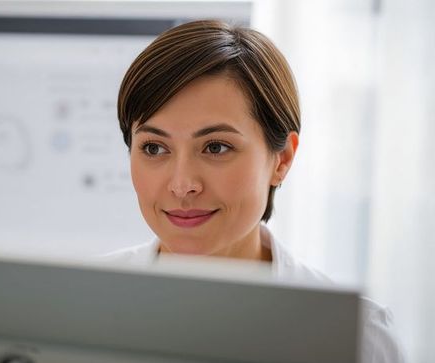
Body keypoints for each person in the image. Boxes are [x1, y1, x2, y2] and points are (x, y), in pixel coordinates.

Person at [105, 20, 405, 363]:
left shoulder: (359, 339)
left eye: (216, 147)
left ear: (282, 159)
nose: (182, 184)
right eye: (155, 148)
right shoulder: (79, 306)